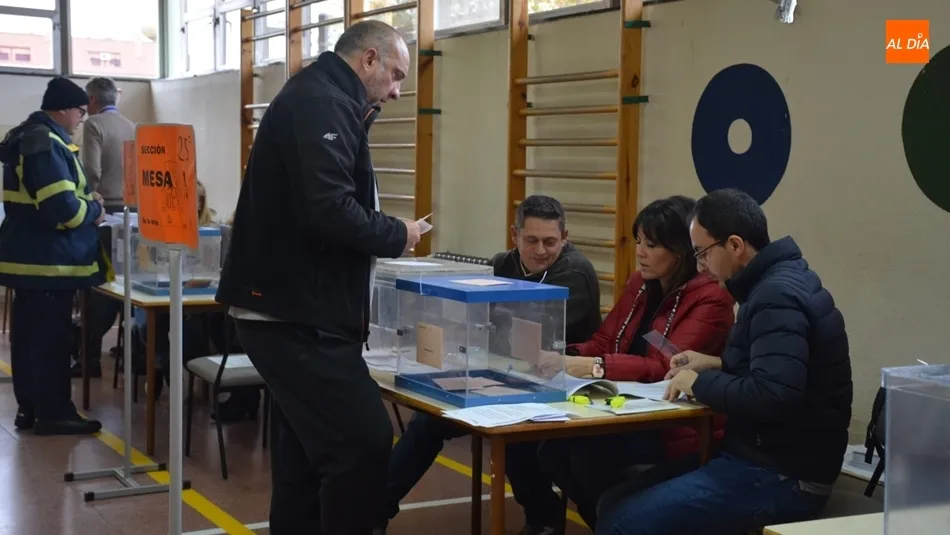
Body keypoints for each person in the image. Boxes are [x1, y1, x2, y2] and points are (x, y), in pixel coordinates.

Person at [214, 21, 421, 535]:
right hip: (295, 315)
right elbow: (328, 210)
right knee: (364, 443)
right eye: (395, 76)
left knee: (305, 456)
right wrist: (398, 233)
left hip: (293, 308)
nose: (397, 91)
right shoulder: (322, 101)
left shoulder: (327, 97)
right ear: (368, 60)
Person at [596, 188, 853, 535]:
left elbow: (774, 395)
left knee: (622, 520)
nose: (700, 265)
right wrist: (714, 364)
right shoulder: (777, 282)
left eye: (702, 253)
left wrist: (698, 383)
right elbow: (777, 372)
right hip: (760, 457)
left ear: (734, 245)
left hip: (784, 473)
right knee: (611, 502)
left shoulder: (775, 296)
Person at [376, 195, 603, 535]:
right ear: (515, 236)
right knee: (427, 423)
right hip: (506, 373)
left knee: (512, 435)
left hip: (559, 385)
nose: (541, 250)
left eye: (550, 242)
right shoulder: (503, 264)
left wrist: (492, 325)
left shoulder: (574, 274)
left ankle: (543, 518)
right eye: (531, 240)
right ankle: (374, 510)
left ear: (565, 237)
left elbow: (534, 337)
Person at [536, 195, 735, 529]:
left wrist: (595, 367)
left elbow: (665, 365)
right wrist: (564, 356)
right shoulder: (640, 284)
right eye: (639, 241)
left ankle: (616, 521)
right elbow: (604, 340)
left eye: (652, 244)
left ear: (681, 250)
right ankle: (603, 521)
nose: (640, 252)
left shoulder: (711, 297)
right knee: (549, 450)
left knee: (588, 456)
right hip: (625, 408)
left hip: (677, 425)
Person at [0, 76, 109, 435]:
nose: (81, 119)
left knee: (30, 340)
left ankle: (30, 409)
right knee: (50, 341)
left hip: (31, 259)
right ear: (63, 109)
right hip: (49, 262)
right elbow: (62, 209)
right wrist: (93, 209)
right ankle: (53, 413)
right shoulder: (47, 143)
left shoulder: (28, 136)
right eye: (79, 111)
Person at [73, 77, 134, 379]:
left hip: (104, 211)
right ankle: (130, 351)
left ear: (92, 100)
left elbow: (92, 170)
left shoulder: (93, 124)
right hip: (134, 214)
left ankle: (90, 359)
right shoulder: (132, 126)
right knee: (127, 283)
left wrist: (87, 197)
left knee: (98, 285)